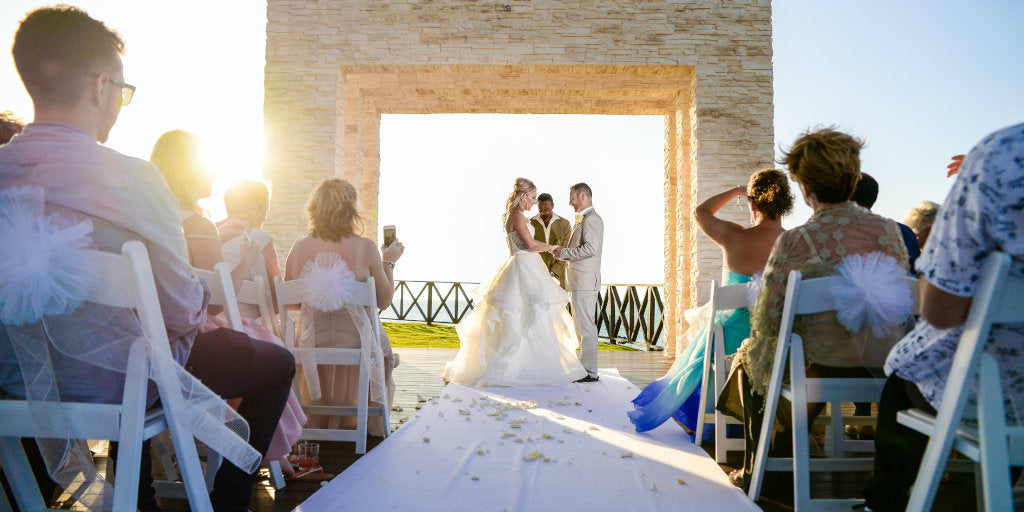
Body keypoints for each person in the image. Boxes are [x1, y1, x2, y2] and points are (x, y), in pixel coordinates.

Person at [0, 7, 295, 510]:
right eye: (122, 90)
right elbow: (180, 310)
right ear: (100, 86)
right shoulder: (131, 181)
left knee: (128, 352)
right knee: (276, 362)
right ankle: (229, 501)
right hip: (126, 383)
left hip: (14, 381)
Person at [722, 128, 911, 489]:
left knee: (748, 359)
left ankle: (758, 463)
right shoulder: (889, 232)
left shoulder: (795, 240)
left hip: (818, 369)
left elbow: (768, 317)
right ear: (854, 178)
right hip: (884, 367)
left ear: (805, 189)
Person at [862, 122, 1024, 511]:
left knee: (906, 371)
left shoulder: (1001, 156)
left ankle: (884, 503)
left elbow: (941, 311)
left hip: (1002, 395)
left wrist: (981, 174)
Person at [151, 130, 305, 479]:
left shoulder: (153, 218)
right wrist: (246, 257)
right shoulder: (197, 224)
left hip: (147, 337)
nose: (213, 174)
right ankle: (237, 482)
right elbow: (217, 305)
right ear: (190, 171)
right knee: (275, 357)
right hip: (191, 337)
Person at [629, 169, 792, 433]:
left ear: (753, 202)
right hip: (776, 340)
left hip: (729, 341)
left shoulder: (735, 236)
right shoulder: (795, 244)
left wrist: (738, 190)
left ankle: (705, 415)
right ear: (785, 202)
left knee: (708, 337)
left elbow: (700, 212)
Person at [284, 179, 403, 437]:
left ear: (314, 209)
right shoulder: (366, 248)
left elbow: (290, 302)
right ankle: (365, 422)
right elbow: (383, 301)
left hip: (310, 345)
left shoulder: (300, 247)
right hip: (358, 346)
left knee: (308, 338)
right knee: (376, 344)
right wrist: (389, 262)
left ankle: (314, 418)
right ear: (351, 211)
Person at [443, 178, 587, 386]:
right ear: (523, 196)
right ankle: (522, 366)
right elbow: (529, 243)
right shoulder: (517, 217)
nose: (535, 202)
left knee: (528, 315)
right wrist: (551, 247)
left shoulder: (516, 217)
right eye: (533, 197)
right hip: (524, 265)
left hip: (524, 264)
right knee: (527, 313)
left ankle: (526, 362)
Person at [553, 182, 605, 382]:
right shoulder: (584, 219)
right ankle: (585, 368)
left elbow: (590, 249)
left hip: (585, 281)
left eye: (572, 198)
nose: (570, 202)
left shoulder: (592, 219)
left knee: (586, 327)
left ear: (583, 196)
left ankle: (590, 372)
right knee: (581, 327)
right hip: (578, 281)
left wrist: (563, 253)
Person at [218, 179, 281, 317]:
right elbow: (277, 303)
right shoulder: (260, 241)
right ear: (254, 208)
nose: (264, 219)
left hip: (209, 327)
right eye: (265, 210)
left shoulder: (209, 238)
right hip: (249, 331)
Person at [530, 192, 572, 289]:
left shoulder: (565, 224)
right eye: (540, 210)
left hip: (558, 276)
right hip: (536, 276)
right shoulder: (530, 223)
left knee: (560, 304)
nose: (544, 213)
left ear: (553, 206)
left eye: (547, 210)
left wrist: (553, 271)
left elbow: (567, 250)